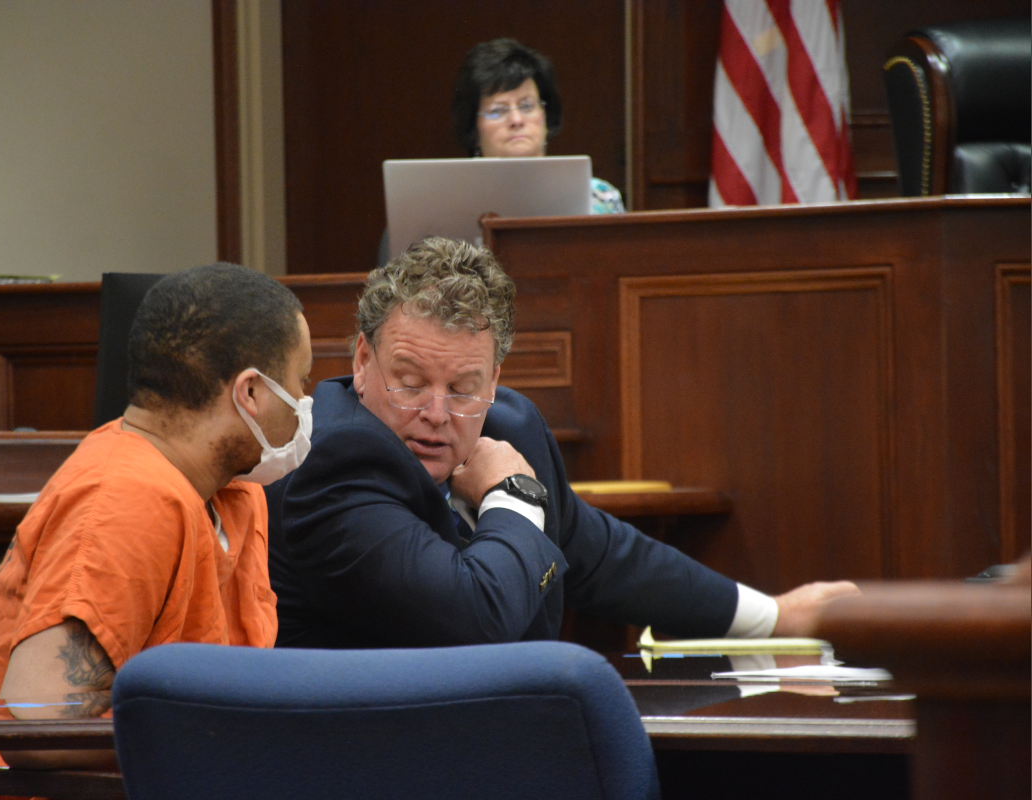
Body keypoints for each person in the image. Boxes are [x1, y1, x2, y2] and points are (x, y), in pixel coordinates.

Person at [266, 237, 857, 648]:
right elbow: (477, 616)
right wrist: (514, 494)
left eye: (464, 388)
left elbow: (602, 556)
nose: (437, 414)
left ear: (494, 381)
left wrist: (778, 615)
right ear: (362, 362)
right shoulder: (333, 463)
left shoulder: (510, 427)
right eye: (411, 383)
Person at [0, 263, 313, 773]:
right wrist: (228, 734)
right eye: (301, 380)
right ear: (251, 394)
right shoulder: (126, 500)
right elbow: (39, 728)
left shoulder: (234, 491)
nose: (305, 402)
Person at [451, 37, 627, 214]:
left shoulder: (600, 198)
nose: (516, 120)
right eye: (497, 111)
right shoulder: (452, 204)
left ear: (546, 116)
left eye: (527, 106)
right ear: (474, 129)